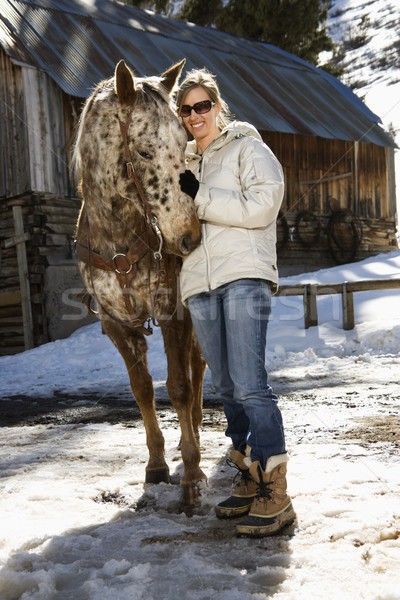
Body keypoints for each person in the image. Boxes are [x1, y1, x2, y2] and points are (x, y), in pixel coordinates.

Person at [176, 68, 295, 538]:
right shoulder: (182, 163)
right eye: (186, 109)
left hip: (243, 274)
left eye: (203, 105)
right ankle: (248, 478)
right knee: (225, 387)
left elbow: (264, 206)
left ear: (219, 107)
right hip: (199, 283)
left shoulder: (248, 147)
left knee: (250, 384)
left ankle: (276, 492)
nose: (195, 115)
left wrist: (200, 197)